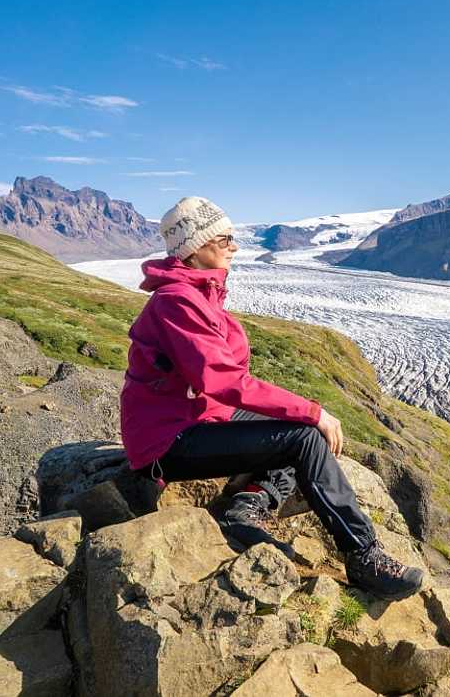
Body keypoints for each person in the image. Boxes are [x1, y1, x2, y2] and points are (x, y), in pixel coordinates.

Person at [120, 195, 424, 601]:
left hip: (201, 418)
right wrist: (314, 411)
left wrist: (305, 414)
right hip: (167, 442)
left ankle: (248, 503)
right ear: (196, 246)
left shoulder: (202, 295)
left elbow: (226, 383)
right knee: (303, 435)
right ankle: (363, 555)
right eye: (226, 239)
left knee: (298, 429)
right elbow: (224, 380)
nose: (235, 247)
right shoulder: (177, 301)